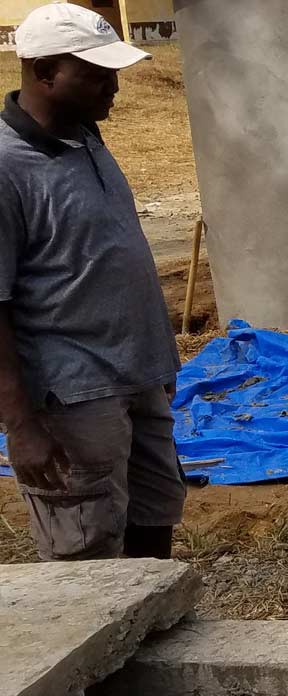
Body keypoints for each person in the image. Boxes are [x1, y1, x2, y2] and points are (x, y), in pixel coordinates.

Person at [1, 4, 180, 562]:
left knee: (155, 520)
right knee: (87, 550)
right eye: (97, 75)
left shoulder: (86, 137)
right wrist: (21, 425)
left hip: (140, 374)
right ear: (45, 71)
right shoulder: (6, 169)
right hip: (73, 393)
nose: (115, 88)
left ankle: (152, 641)